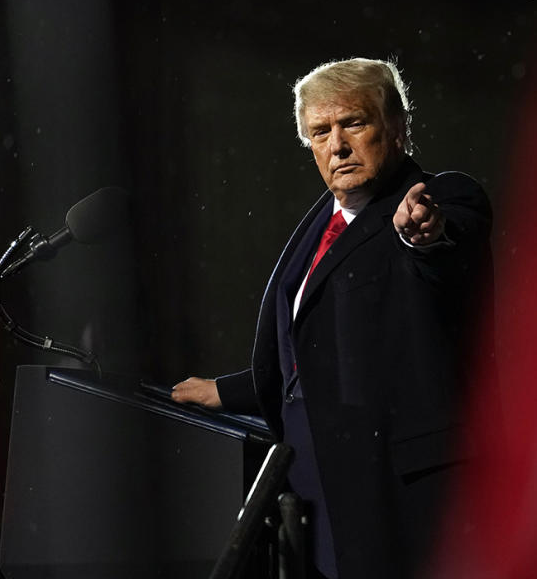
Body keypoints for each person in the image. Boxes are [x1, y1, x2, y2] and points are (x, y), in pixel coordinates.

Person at [172, 58, 493, 578]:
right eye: (320, 132)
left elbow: (442, 250)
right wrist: (228, 391)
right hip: (315, 495)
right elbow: (321, 352)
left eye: (354, 124)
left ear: (397, 129)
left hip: (402, 495)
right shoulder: (318, 224)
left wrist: (422, 233)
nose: (337, 145)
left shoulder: (444, 198)